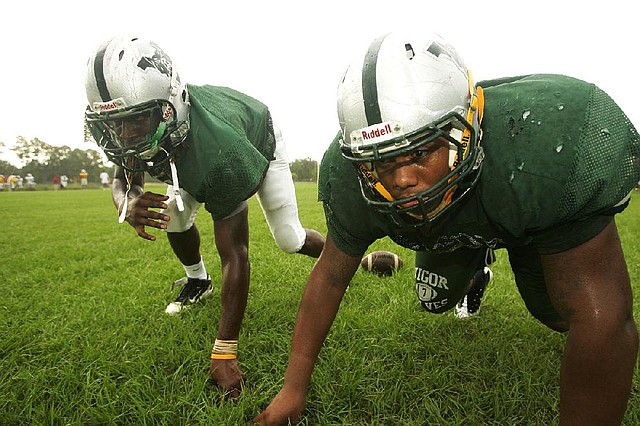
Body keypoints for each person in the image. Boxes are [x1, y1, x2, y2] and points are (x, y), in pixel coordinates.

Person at [252, 31, 640, 425]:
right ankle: (476, 270)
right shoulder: (350, 174)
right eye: (381, 160)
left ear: (466, 129)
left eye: (420, 151)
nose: (401, 179)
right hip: (450, 227)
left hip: (527, 217)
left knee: (558, 315)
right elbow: (330, 276)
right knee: (434, 297)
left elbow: (605, 319)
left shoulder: (541, 139)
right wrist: (292, 389)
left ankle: (504, 245)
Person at [83, 35, 325, 397]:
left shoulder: (221, 152)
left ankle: (336, 256)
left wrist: (225, 349)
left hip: (257, 140)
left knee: (288, 239)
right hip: (186, 152)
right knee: (174, 216)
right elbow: (123, 179)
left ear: (170, 108)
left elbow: (236, 254)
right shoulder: (131, 126)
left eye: (135, 122)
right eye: (115, 125)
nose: (124, 136)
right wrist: (126, 202)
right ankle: (198, 281)